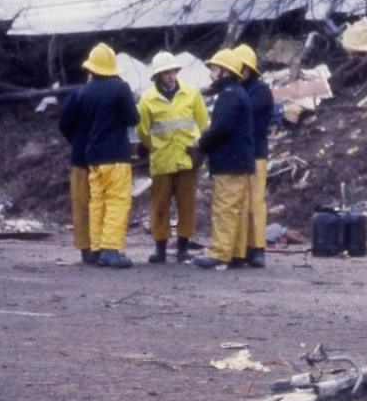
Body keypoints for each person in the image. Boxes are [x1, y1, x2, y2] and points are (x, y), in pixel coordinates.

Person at [137, 52, 208, 265]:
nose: (170, 76)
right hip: (162, 160)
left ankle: (183, 248)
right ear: (158, 76)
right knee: (160, 205)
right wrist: (156, 148)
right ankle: (160, 248)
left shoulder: (191, 94)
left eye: (172, 72)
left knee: (187, 204)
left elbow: (204, 123)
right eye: (165, 73)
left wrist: (200, 147)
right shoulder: (147, 100)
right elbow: (143, 132)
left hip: (187, 157)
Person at [76, 42, 140, 269]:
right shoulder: (120, 88)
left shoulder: (84, 92)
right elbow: (133, 119)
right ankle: (111, 249)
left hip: (93, 156)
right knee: (117, 201)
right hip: (116, 155)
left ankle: (95, 249)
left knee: (97, 203)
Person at [194, 49, 255, 271]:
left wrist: (202, 143)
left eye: (214, 69)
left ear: (225, 72)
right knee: (235, 208)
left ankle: (220, 254)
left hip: (229, 162)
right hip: (239, 161)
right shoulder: (237, 92)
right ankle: (236, 253)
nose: (211, 74)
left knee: (225, 208)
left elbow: (222, 128)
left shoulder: (228, 95)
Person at [234, 43, 273, 269]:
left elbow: (241, 115)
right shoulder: (240, 90)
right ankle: (241, 248)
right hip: (241, 153)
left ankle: (257, 248)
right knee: (240, 203)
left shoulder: (259, 91)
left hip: (256, 153)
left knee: (255, 203)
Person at [57, 80, 95, 265]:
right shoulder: (114, 92)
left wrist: (78, 141)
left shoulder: (78, 94)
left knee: (81, 205)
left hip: (81, 156)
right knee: (100, 204)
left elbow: (64, 124)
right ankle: (99, 246)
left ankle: (86, 248)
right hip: (103, 158)